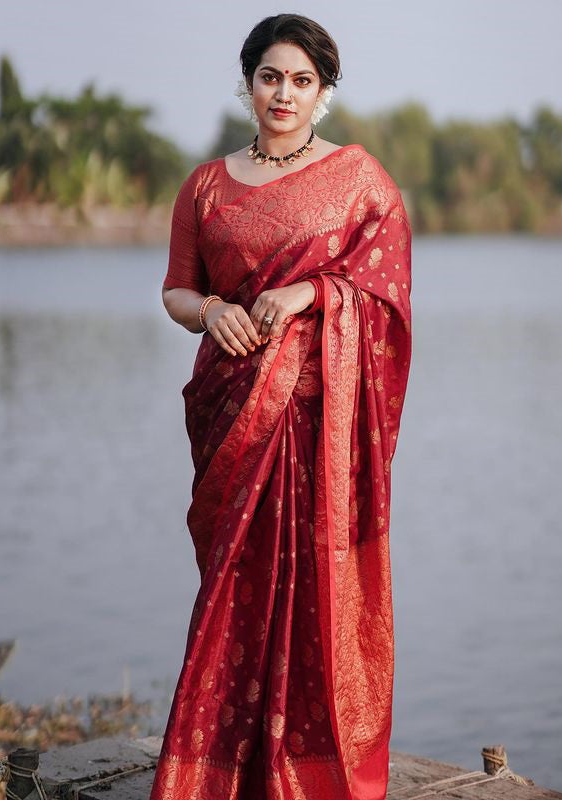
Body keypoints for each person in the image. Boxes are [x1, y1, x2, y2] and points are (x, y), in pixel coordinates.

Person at [149, 12, 412, 800]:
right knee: (232, 588)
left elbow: (386, 297)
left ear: (324, 91)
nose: (284, 94)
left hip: (315, 423)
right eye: (271, 77)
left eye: (302, 80)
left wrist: (312, 292)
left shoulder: (360, 179)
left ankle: (306, 768)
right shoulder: (205, 184)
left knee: (315, 597)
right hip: (233, 413)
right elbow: (176, 289)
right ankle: (219, 770)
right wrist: (210, 312)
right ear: (248, 82)